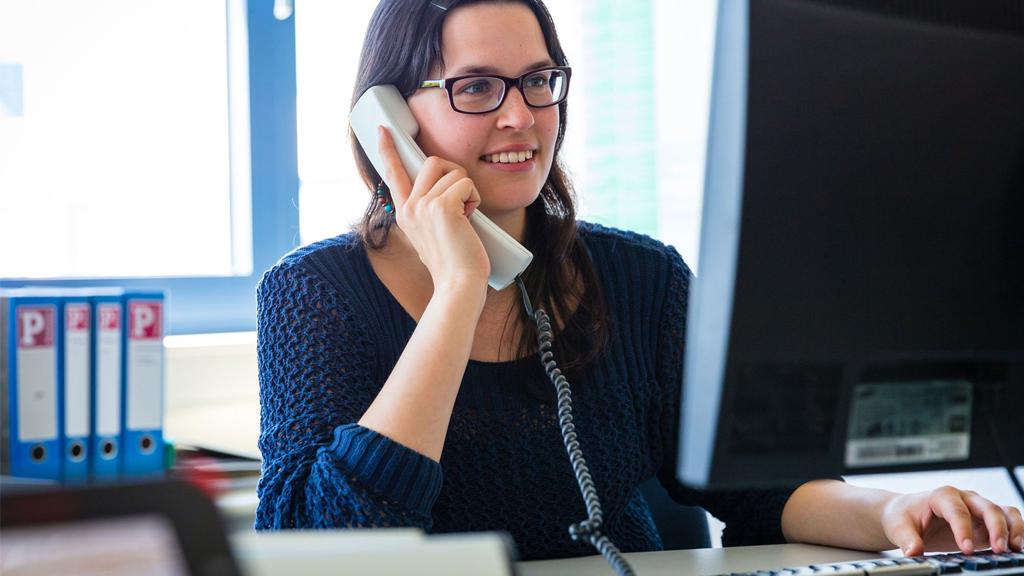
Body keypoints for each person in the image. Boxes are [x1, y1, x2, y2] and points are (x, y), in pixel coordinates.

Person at [254, 0, 1024, 562]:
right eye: (476, 88)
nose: (521, 116)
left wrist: (895, 510)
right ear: (389, 123)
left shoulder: (640, 278)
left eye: (537, 81)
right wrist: (459, 290)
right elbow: (318, 548)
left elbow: (760, 487)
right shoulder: (313, 295)